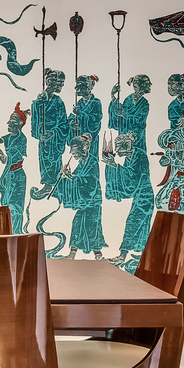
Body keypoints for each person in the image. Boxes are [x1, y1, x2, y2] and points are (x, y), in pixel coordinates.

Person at [106, 73, 154, 265]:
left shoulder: (145, 103)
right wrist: (113, 101)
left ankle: (125, 255)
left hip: (137, 141)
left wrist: (126, 116)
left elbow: (139, 122)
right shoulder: (127, 99)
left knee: (135, 222)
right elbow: (118, 119)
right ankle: (135, 255)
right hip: (141, 193)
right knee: (139, 224)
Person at [56, 75, 106, 257]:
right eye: (79, 87)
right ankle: (74, 252)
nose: (81, 90)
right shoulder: (81, 162)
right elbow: (78, 179)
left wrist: (81, 115)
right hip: (86, 198)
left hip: (92, 199)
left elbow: (95, 123)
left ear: (90, 87)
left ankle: (98, 253)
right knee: (78, 222)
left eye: (83, 87)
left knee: (92, 223)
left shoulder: (96, 103)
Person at [29, 68, 70, 199]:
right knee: (44, 162)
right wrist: (39, 135)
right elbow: (34, 122)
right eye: (59, 83)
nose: (61, 86)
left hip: (56, 139)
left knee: (56, 162)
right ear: (50, 82)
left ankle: (58, 188)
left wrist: (54, 132)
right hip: (44, 140)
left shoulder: (59, 102)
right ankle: (47, 186)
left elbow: (63, 122)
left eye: (62, 84)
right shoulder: (38, 102)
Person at [0, 103, 30, 234]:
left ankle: (15, 232)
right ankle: (6, 232)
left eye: (13, 121)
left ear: (20, 123)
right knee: (5, 204)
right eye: (10, 120)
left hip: (16, 176)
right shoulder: (9, 137)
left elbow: (4, 159)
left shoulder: (21, 139)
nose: (9, 123)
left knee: (14, 207)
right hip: (8, 175)